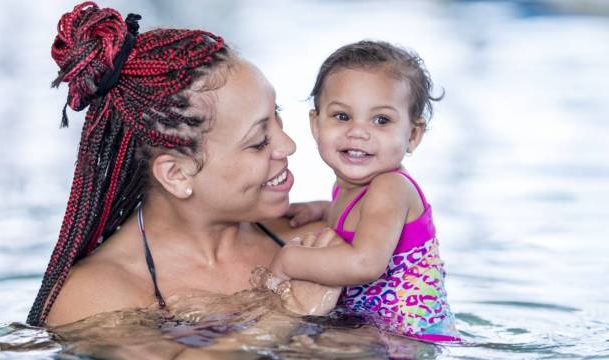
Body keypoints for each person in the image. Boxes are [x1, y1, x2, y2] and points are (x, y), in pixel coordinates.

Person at [27, 2, 341, 328]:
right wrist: (285, 316)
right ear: (176, 174)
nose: (288, 145)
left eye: (277, 114)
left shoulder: (316, 238)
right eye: (259, 141)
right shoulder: (98, 297)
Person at [265, 40, 461, 342]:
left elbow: (365, 263)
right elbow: (366, 222)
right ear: (316, 125)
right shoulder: (353, 188)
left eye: (381, 120)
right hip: (376, 333)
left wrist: (289, 260)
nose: (358, 131)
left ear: (413, 135)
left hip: (410, 341)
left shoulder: (391, 186)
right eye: (342, 116)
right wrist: (324, 209)